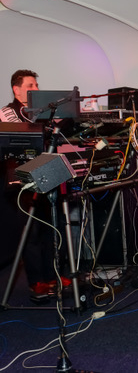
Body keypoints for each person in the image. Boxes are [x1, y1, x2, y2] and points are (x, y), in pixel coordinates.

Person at [0, 70, 59, 303]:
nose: (36, 89)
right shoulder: (7, 112)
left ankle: (52, 276)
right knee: (31, 232)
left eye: (36, 85)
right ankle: (37, 282)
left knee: (49, 229)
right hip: (22, 180)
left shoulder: (40, 112)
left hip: (45, 174)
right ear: (17, 89)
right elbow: (23, 138)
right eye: (31, 85)